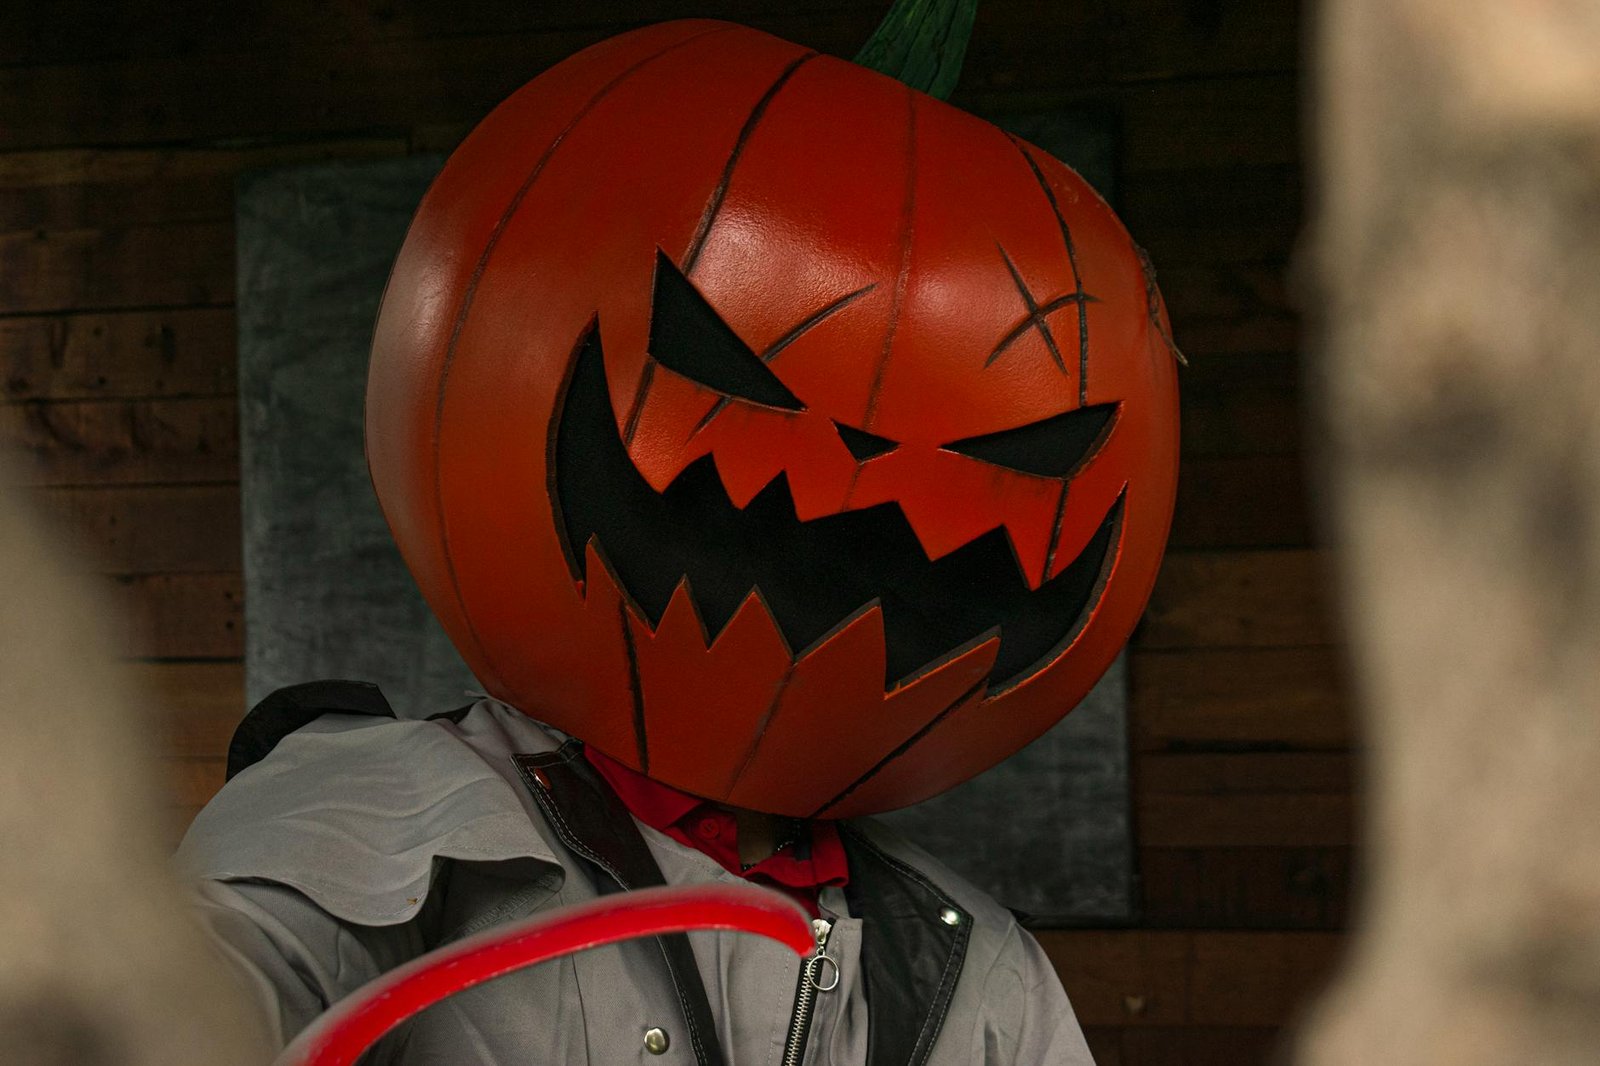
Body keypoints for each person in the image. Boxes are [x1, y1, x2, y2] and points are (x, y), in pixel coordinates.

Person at [179, 9, 1180, 1064]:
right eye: (723, 366)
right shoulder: (366, 827)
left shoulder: (981, 977)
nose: (858, 475)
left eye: (1016, 449)